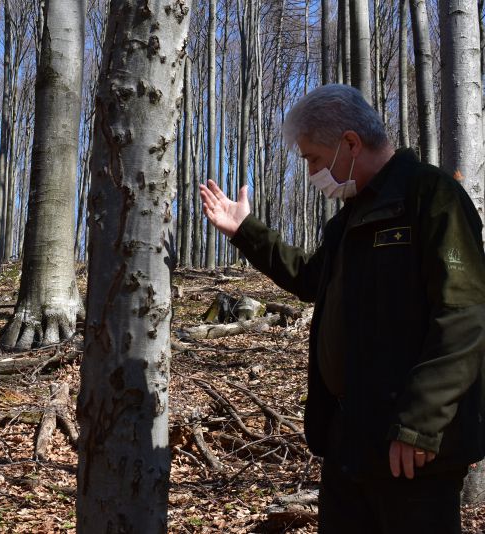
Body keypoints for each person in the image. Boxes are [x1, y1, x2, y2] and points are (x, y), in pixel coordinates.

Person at [200, 84, 485, 533]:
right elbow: (313, 279)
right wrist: (244, 231)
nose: (312, 171)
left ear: (350, 143)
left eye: (313, 158)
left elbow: (463, 315)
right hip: (351, 439)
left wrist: (419, 423)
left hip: (409, 449)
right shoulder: (350, 216)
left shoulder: (431, 199)